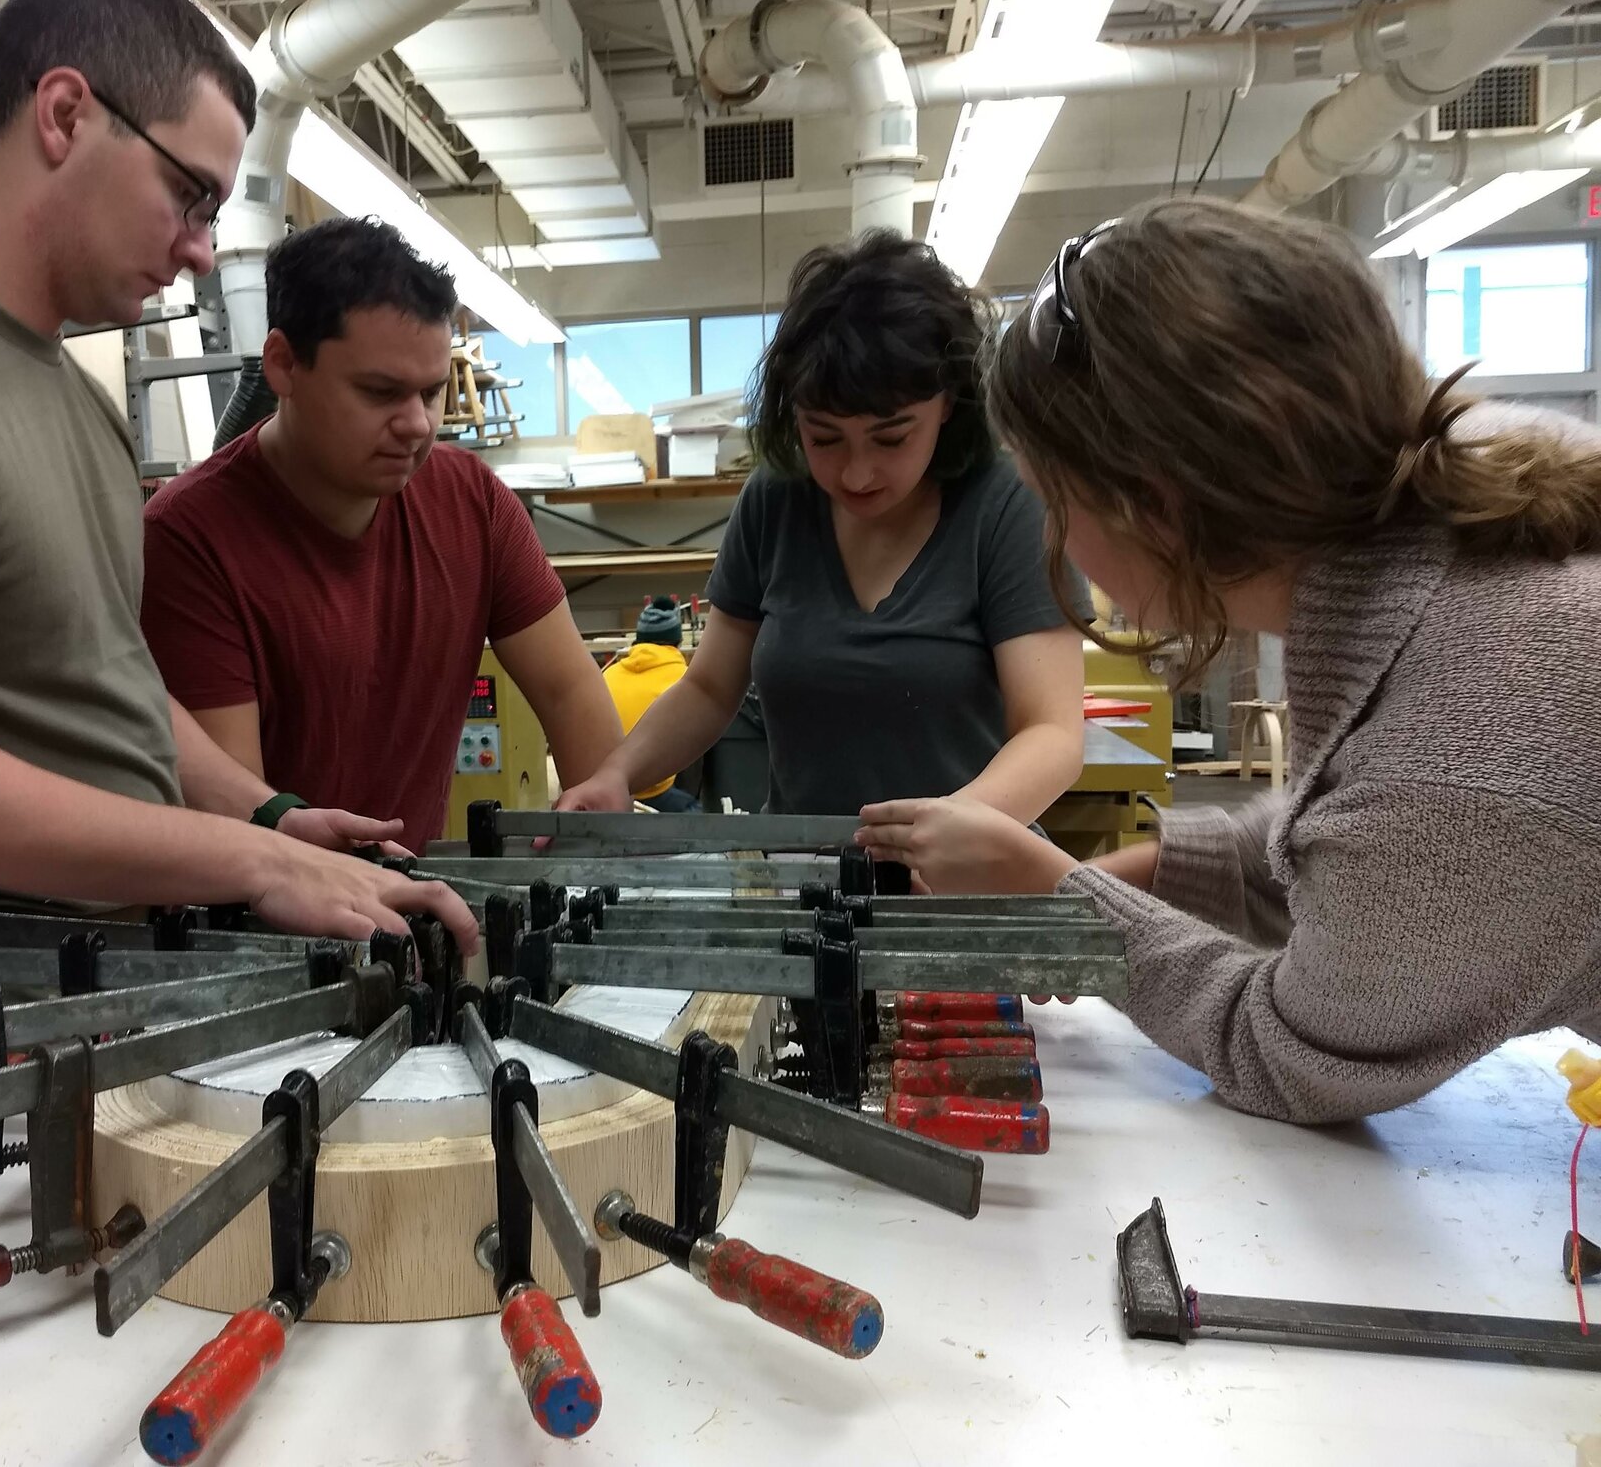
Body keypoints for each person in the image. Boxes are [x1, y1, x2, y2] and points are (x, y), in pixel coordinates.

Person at [0, 0, 472, 1167]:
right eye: (188, 193)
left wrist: (274, 816)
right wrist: (248, 858)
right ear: (66, 114)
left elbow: (107, 687)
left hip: (77, 1007)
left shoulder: (71, 399)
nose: (197, 250)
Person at [856, 195, 1601, 1124]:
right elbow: (1348, 844)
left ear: (1154, 508)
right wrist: (1110, 883)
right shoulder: (1474, 470)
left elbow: (1291, 1057)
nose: (1050, 534)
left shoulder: (1470, 760)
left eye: (1055, 499)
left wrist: (1070, 902)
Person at [558, 230, 1089, 825]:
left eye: (892, 437)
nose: (857, 473)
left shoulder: (1008, 502)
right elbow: (709, 690)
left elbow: (1052, 733)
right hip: (805, 886)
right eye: (824, 437)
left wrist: (945, 831)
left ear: (948, 401)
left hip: (966, 881)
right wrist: (618, 773)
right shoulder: (777, 497)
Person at [140, 216, 622, 855]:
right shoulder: (187, 541)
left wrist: (603, 833)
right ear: (282, 365)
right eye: (380, 392)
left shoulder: (471, 500)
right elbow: (237, 819)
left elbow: (568, 688)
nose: (418, 424)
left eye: (432, 390)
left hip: (410, 907)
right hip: (261, 925)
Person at [600, 596, 699, 812]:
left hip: (607, 790)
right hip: (655, 794)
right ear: (677, 642)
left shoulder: (609, 674)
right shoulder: (685, 680)